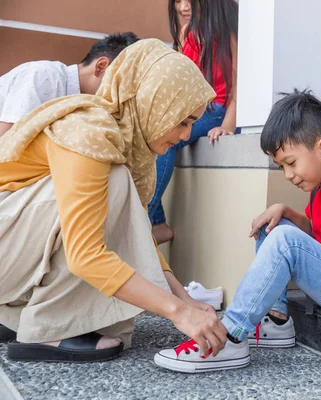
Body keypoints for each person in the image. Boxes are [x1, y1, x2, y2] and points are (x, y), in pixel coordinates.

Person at [0, 39, 228, 363]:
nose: (188, 135)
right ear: (153, 102)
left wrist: (183, 299)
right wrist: (177, 312)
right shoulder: (88, 132)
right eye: (183, 121)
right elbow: (85, 254)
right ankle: (47, 329)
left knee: (118, 188)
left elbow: (137, 231)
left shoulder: (123, 141)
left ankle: (15, 313)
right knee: (113, 181)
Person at [154, 90, 321, 373]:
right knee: (271, 227)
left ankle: (229, 336)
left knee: (284, 239)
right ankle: (276, 322)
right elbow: (319, 233)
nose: (287, 174)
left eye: (291, 162)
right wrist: (285, 211)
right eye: (281, 166)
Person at [149, 0, 239, 244]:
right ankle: (156, 221)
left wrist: (228, 124)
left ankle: (147, 218)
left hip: (216, 108)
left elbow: (239, 83)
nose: (183, 7)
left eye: (189, 0)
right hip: (189, 110)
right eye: (178, 1)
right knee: (152, 134)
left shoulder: (227, 30)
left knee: (167, 139)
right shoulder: (185, 31)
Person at [0, 32, 139, 138]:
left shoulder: (86, 106)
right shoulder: (44, 76)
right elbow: (8, 141)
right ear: (101, 67)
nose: (123, 94)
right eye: (123, 83)